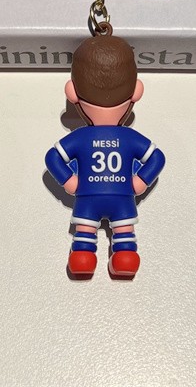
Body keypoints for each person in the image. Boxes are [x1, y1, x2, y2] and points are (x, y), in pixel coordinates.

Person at [45, 34, 165, 278]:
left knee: (84, 236)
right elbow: (157, 158)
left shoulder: (81, 137)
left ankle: (83, 259)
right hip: (123, 199)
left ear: (72, 93)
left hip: (87, 198)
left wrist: (70, 181)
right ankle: (124, 258)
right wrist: (140, 182)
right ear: (136, 91)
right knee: (125, 236)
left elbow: (52, 157)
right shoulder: (129, 137)